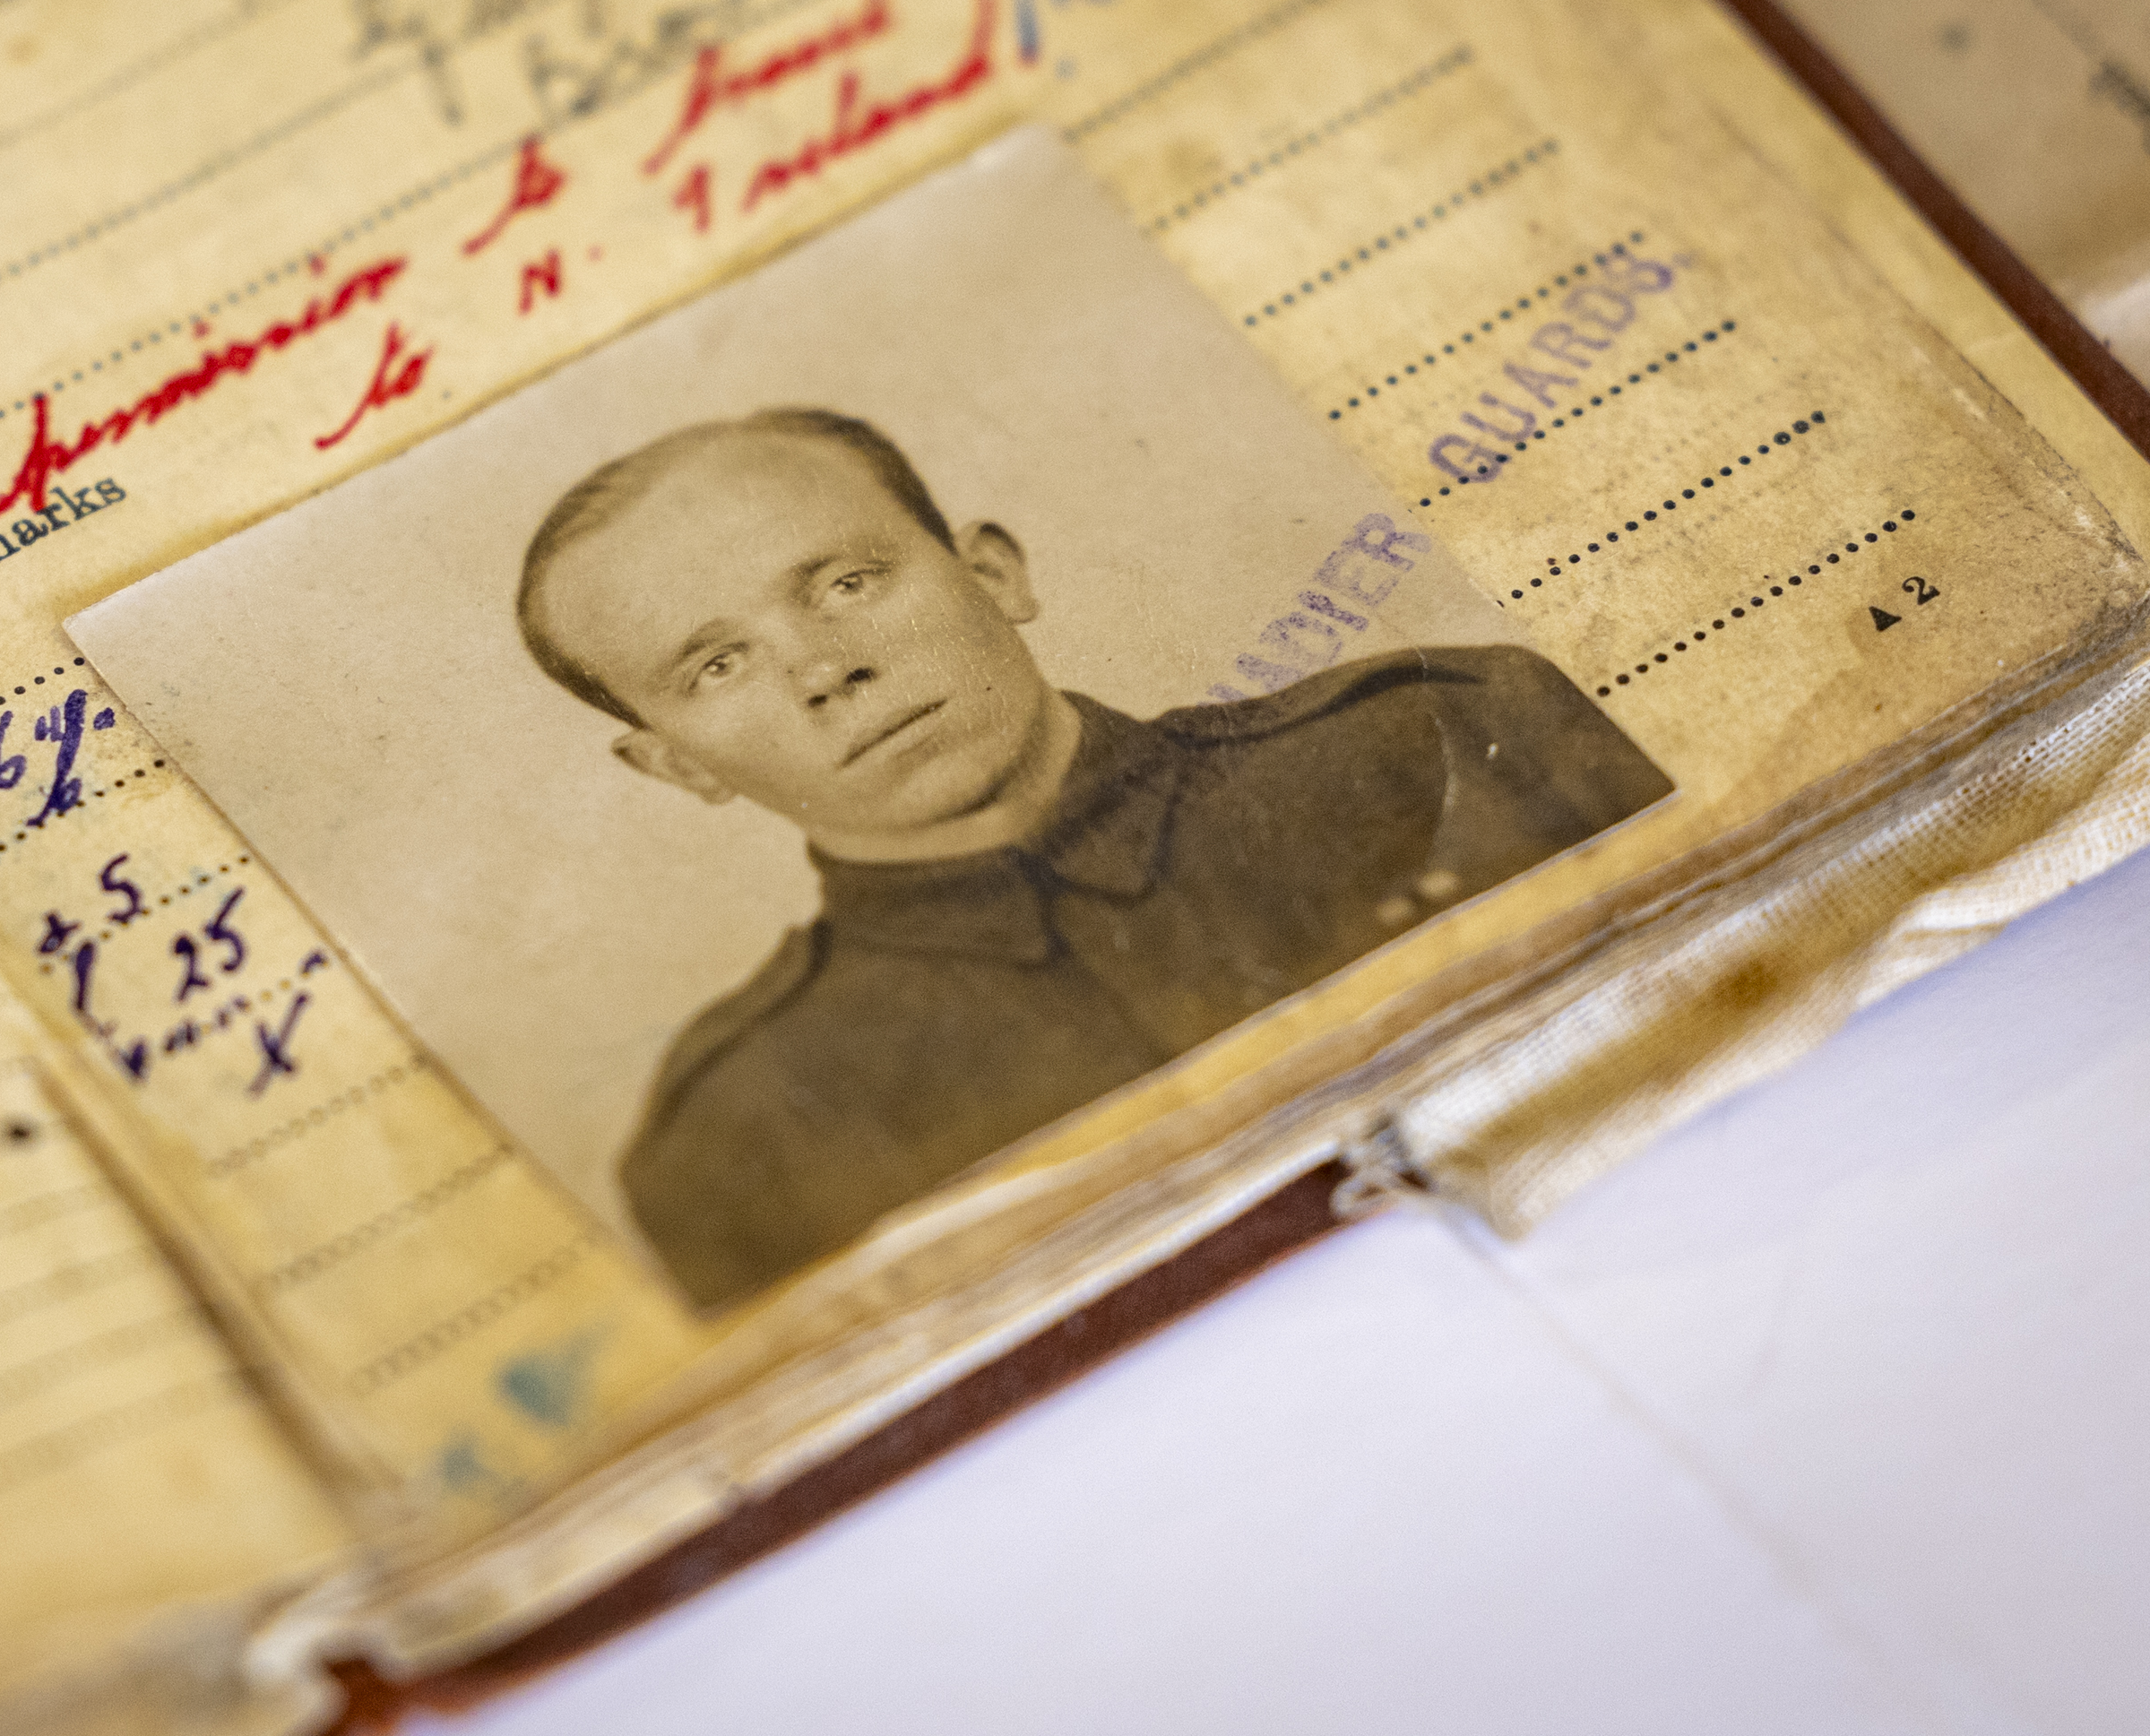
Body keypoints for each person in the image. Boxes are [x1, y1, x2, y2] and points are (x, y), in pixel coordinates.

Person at [516, 408, 1671, 1310]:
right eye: (716, 666)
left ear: (992, 573)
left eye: (847, 585)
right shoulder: (737, 1140)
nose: (825, 670)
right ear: (677, 764)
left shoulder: (1449, 733)